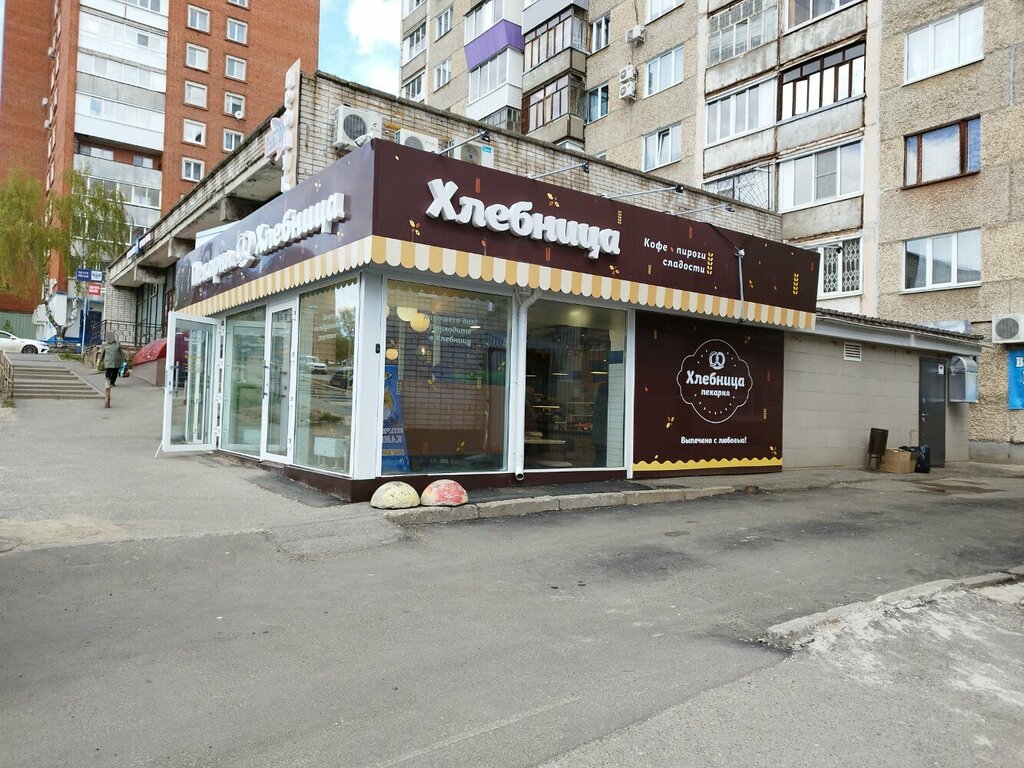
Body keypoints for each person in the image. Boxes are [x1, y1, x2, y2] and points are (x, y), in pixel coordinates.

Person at [99, 332, 124, 409]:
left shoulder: (117, 343)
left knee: (115, 373)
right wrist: (100, 361)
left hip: (116, 361)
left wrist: (123, 360)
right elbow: (102, 353)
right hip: (108, 361)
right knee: (108, 373)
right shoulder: (105, 344)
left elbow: (121, 352)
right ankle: (108, 384)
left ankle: (112, 382)